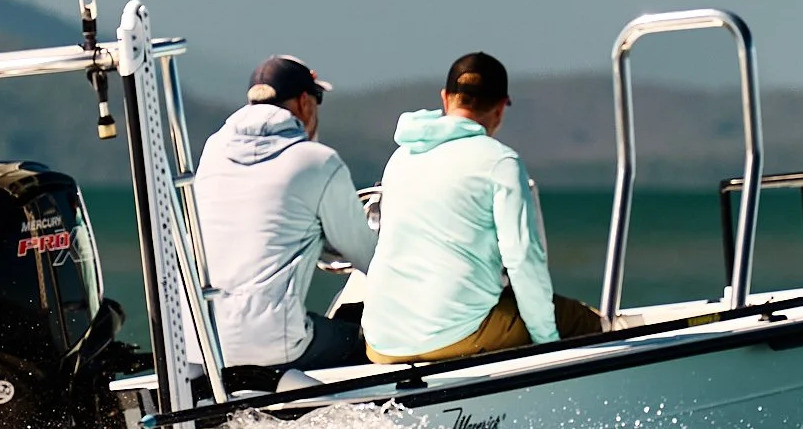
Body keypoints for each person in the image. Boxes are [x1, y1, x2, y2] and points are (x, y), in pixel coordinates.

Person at [362, 51, 605, 363]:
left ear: (445, 98)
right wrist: (547, 343)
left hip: (382, 342)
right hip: (454, 338)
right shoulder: (500, 162)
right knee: (576, 319)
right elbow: (521, 259)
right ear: (501, 108)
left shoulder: (400, 158)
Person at [192, 54, 378, 376]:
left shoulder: (211, 152)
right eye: (317, 99)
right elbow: (370, 257)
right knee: (366, 339)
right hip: (275, 347)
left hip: (204, 343)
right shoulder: (317, 161)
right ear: (305, 101)